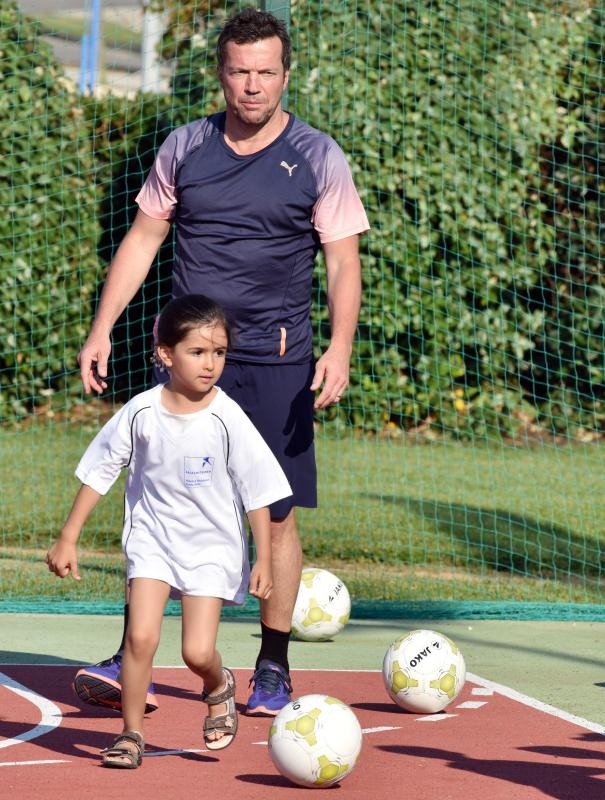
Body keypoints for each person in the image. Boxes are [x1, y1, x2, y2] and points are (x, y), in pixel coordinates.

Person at [74, 6, 369, 716]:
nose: (252, 86)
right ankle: (131, 652)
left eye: (266, 72)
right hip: (186, 360)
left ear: (285, 74)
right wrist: (102, 327)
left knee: (274, 514)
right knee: (156, 503)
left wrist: (338, 345)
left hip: (274, 360)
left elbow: (342, 262)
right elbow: (143, 239)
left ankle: (272, 667)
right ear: (221, 74)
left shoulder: (319, 156)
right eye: (239, 72)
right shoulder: (184, 146)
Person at [46, 294, 292, 768]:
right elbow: (101, 470)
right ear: (165, 354)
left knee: (197, 651)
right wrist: (68, 535)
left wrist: (262, 556)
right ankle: (131, 735)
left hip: (211, 547)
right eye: (198, 352)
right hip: (152, 541)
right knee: (140, 638)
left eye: (219, 353)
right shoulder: (140, 412)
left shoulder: (227, 417)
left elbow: (258, 489)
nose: (210, 364)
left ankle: (218, 683)